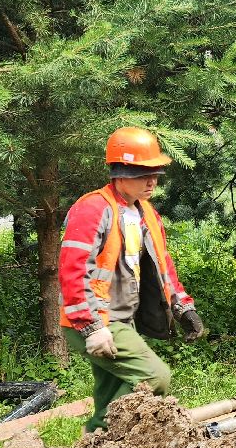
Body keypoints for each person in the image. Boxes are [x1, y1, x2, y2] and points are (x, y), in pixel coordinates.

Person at [58, 126, 206, 430]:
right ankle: (111, 437)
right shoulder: (93, 209)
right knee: (155, 376)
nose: (151, 181)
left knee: (110, 396)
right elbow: (72, 272)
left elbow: (162, 267)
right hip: (94, 319)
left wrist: (183, 307)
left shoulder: (145, 212)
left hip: (120, 319)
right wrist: (92, 328)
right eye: (143, 174)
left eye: (155, 174)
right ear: (120, 172)